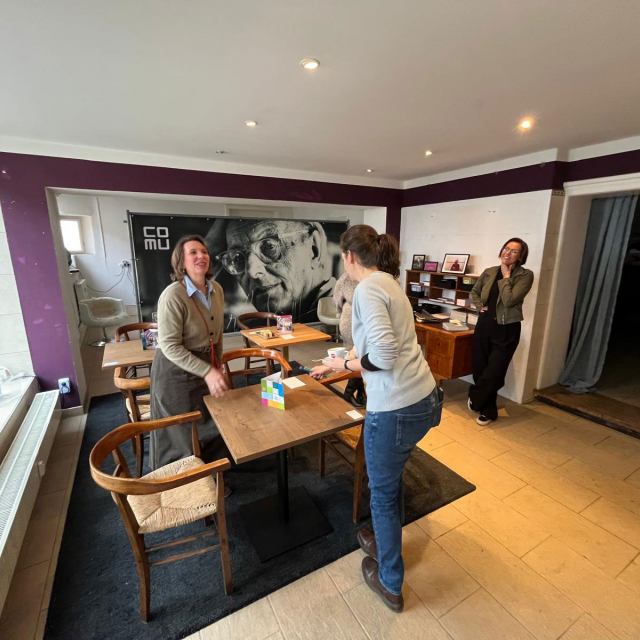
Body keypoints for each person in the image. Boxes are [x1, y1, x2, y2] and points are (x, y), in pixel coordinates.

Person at [310, 225, 442, 613]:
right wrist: (338, 361)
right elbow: (377, 344)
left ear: (349, 256)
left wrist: (345, 365)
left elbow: (382, 356)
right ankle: (385, 542)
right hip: (424, 398)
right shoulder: (389, 282)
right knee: (391, 478)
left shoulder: (366, 289)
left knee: (381, 494)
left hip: (396, 408)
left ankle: (389, 582)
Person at [149, 235, 229, 470]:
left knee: (208, 421)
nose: (201, 256)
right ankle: (184, 482)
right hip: (174, 371)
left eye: (204, 252)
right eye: (193, 252)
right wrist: (208, 371)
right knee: (182, 433)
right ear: (181, 261)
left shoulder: (217, 290)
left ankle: (211, 473)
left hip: (205, 364)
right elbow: (169, 346)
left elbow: (218, 333)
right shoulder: (173, 295)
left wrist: (218, 364)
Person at [206, 219, 335, 322]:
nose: (251, 272)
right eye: (237, 258)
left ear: (314, 249)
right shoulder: (257, 326)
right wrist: (210, 252)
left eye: (269, 247)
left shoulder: (341, 317)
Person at [468, 238, 534, 426]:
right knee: (481, 368)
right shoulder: (489, 271)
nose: (508, 253)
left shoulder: (525, 275)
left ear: (520, 256)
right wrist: (479, 306)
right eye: (506, 248)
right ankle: (488, 410)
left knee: (495, 371)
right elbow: (475, 291)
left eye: (514, 251)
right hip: (484, 326)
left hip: (507, 329)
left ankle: (475, 397)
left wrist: (506, 276)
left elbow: (509, 300)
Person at [333, 272, 366, 408]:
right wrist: (340, 311)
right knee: (356, 357)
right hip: (350, 321)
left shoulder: (378, 278)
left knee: (360, 356)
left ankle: (360, 392)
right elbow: (337, 298)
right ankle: (349, 392)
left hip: (365, 321)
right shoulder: (347, 277)